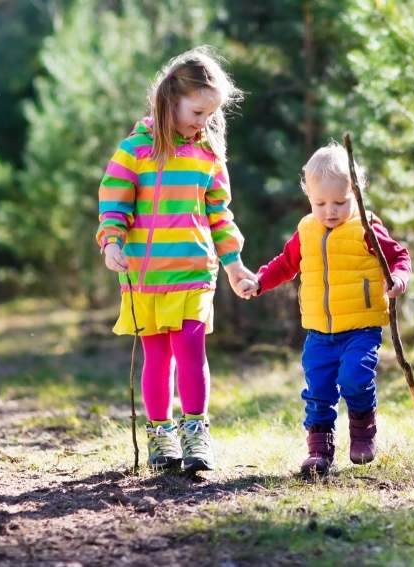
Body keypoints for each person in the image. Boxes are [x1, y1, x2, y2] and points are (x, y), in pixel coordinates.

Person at [96, 46, 254, 472]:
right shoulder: (136, 149)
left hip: (193, 272)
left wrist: (234, 264)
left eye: (210, 115)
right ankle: (161, 434)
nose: (203, 122)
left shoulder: (208, 156)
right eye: (197, 112)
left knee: (190, 351)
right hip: (145, 277)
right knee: (157, 357)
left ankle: (196, 434)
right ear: (171, 99)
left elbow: (220, 216)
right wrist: (111, 240)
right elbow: (114, 200)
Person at [235, 142, 412, 477]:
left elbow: (399, 256)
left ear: (356, 193)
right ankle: (319, 450)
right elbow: (286, 264)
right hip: (319, 331)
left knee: (355, 378)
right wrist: (259, 281)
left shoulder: (366, 228)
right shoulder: (307, 229)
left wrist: (399, 280)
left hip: (360, 326)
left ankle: (362, 431)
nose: (329, 211)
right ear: (308, 197)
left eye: (340, 202)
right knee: (318, 390)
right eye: (320, 203)